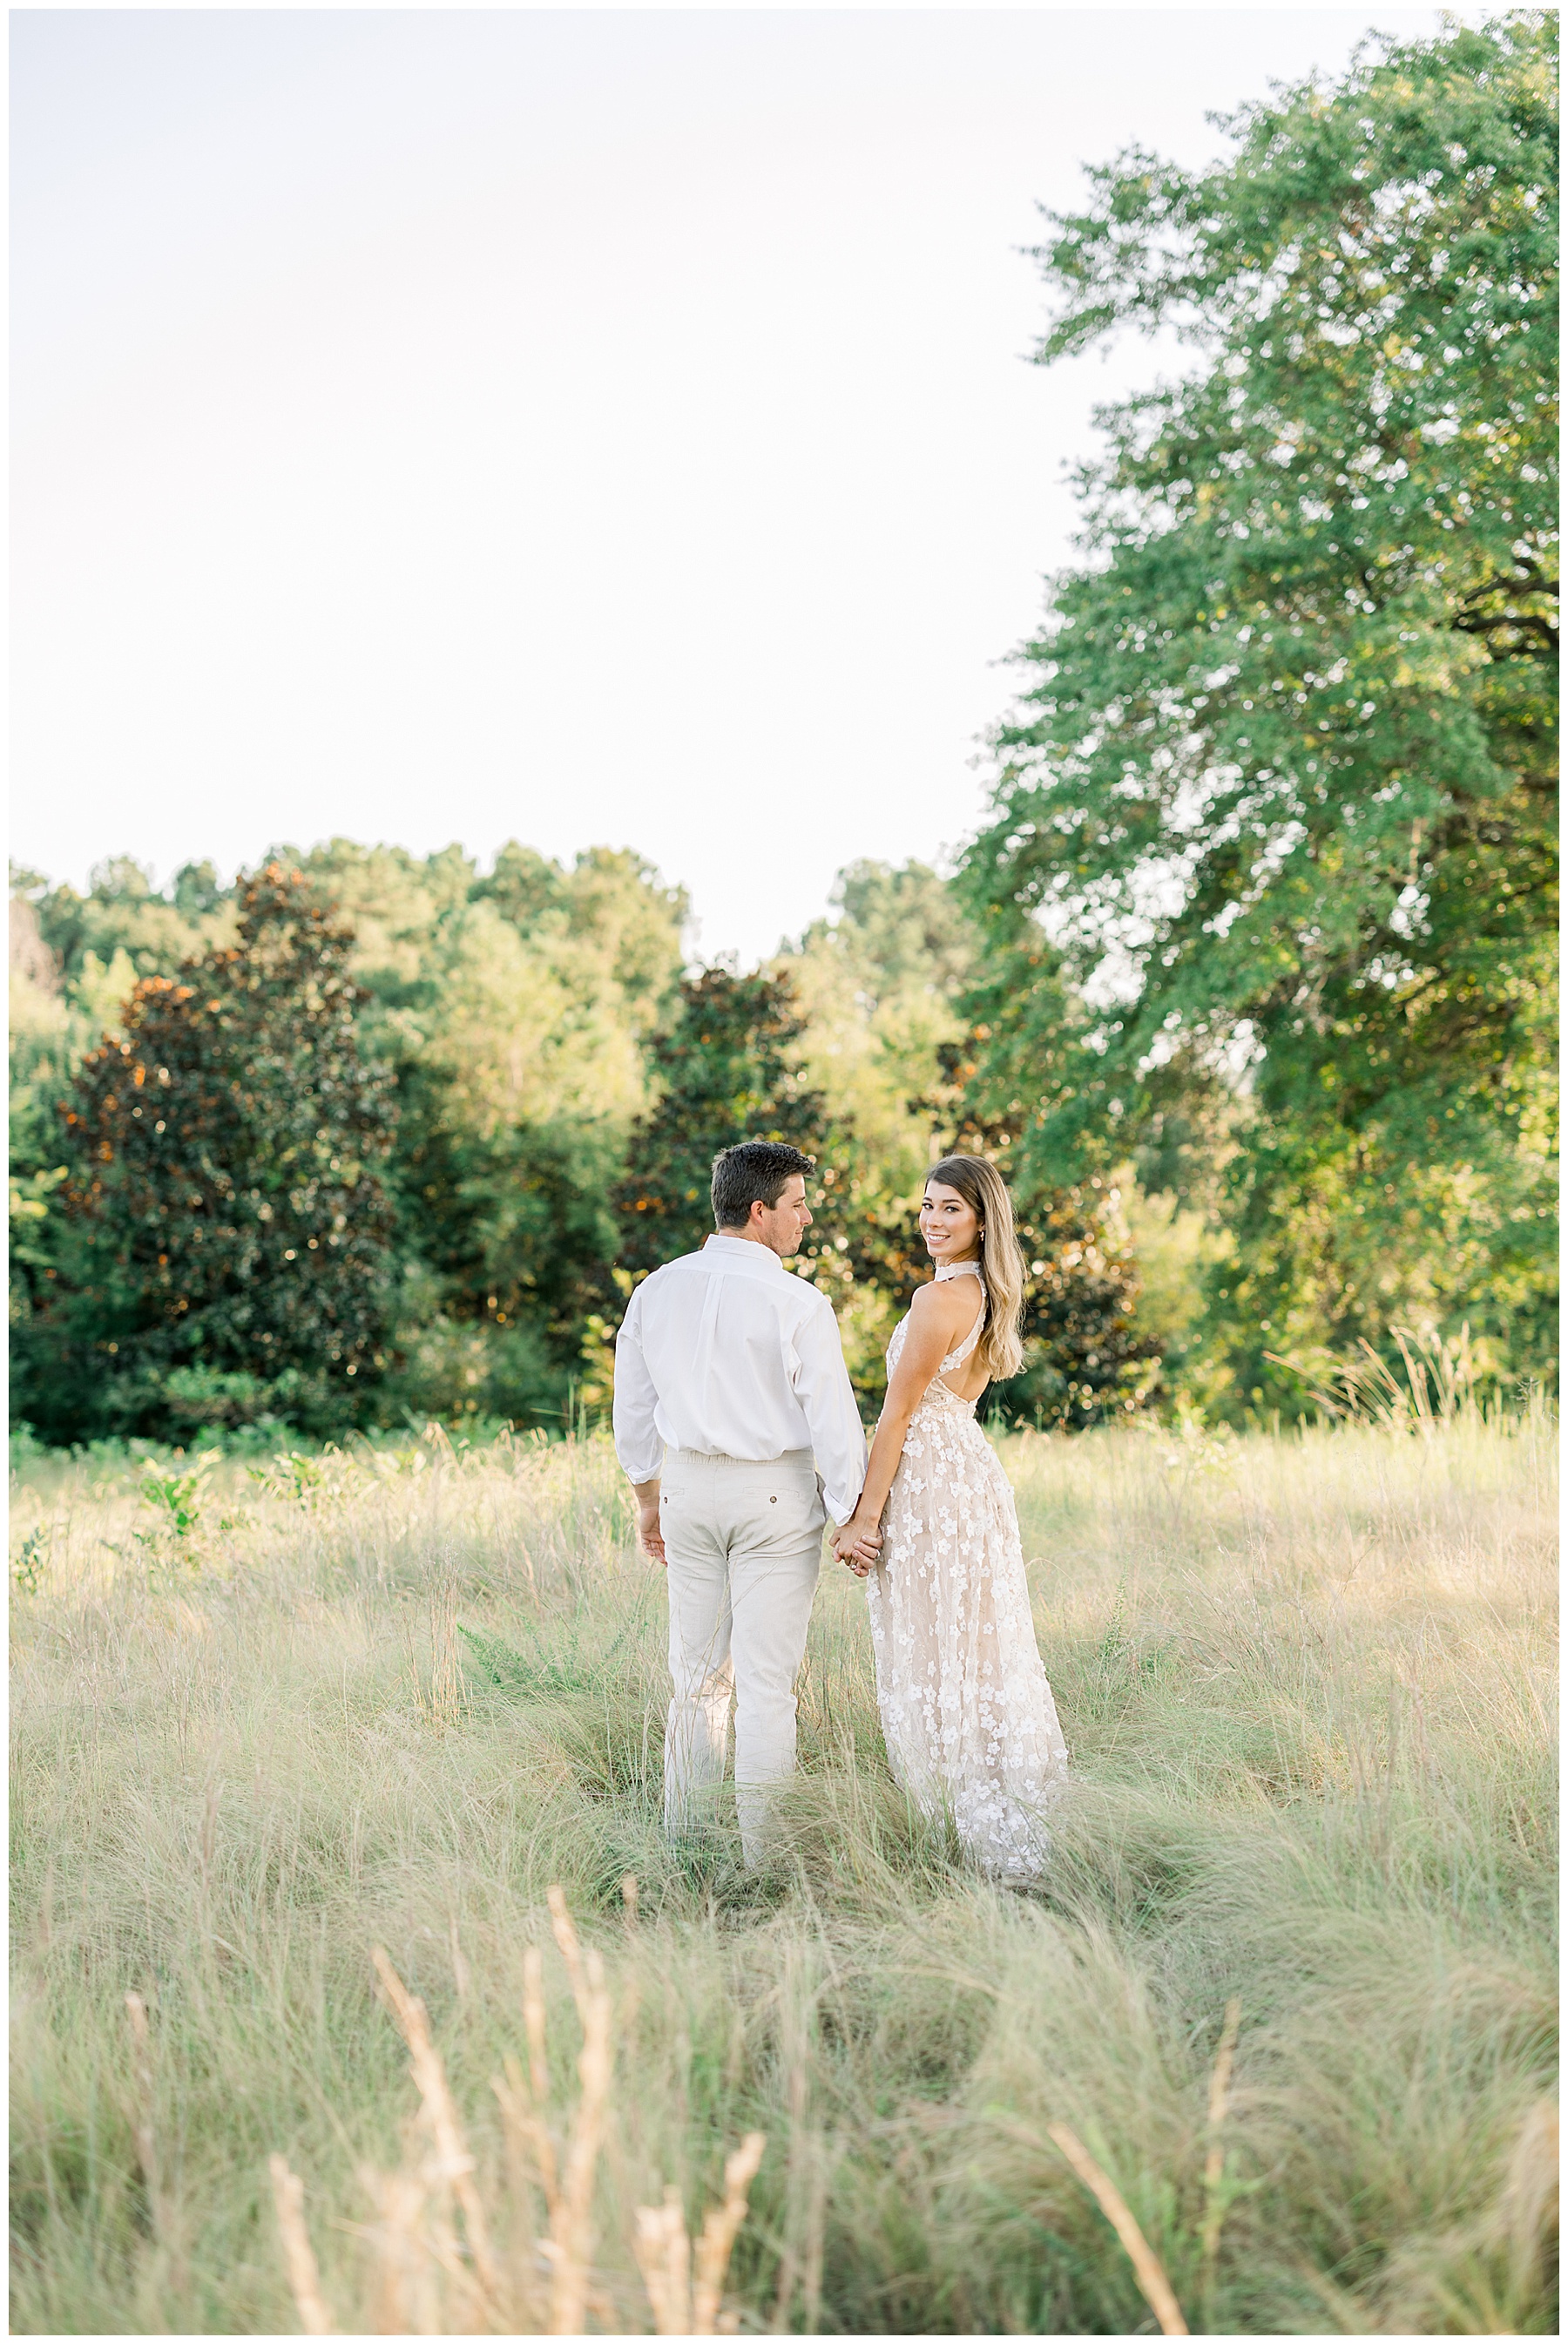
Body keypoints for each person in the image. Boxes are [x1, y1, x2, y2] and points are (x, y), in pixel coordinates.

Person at [612, 1140, 870, 1866]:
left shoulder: (655, 1289)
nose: (806, 1218)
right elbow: (832, 1419)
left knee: (694, 1681)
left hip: (688, 1488)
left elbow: (631, 1407)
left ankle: (686, 1848)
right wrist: (852, 1514)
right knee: (764, 1687)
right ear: (760, 1212)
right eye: (796, 1205)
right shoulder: (797, 1300)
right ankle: (765, 1860)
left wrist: (646, 1497)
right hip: (774, 1494)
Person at [833, 1154, 1067, 1880]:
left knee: (935, 1648)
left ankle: (955, 1817)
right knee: (975, 1644)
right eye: (928, 1206)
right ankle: (992, 1803)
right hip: (969, 1472)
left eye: (950, 1210)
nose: (933, 1222)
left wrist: (863, 1519)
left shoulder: (937, 1303)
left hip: (932, 1480)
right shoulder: (991, 1296)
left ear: (981, 1220)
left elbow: (896, 1416)